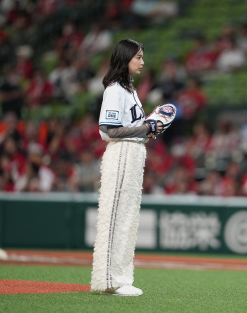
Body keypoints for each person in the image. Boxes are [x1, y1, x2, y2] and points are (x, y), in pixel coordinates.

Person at [91, 39, 164, 296]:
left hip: (134, 153)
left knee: (128, 219)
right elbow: (108, 130)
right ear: (125, 59)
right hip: (120, 154)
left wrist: (148, 130)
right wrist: (144, 128)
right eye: (138, 57)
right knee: (115, 218)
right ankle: (108, 280)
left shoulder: (130, 90)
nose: (143, 62)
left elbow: (134, 128)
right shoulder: (114, 89)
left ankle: (121, 278)